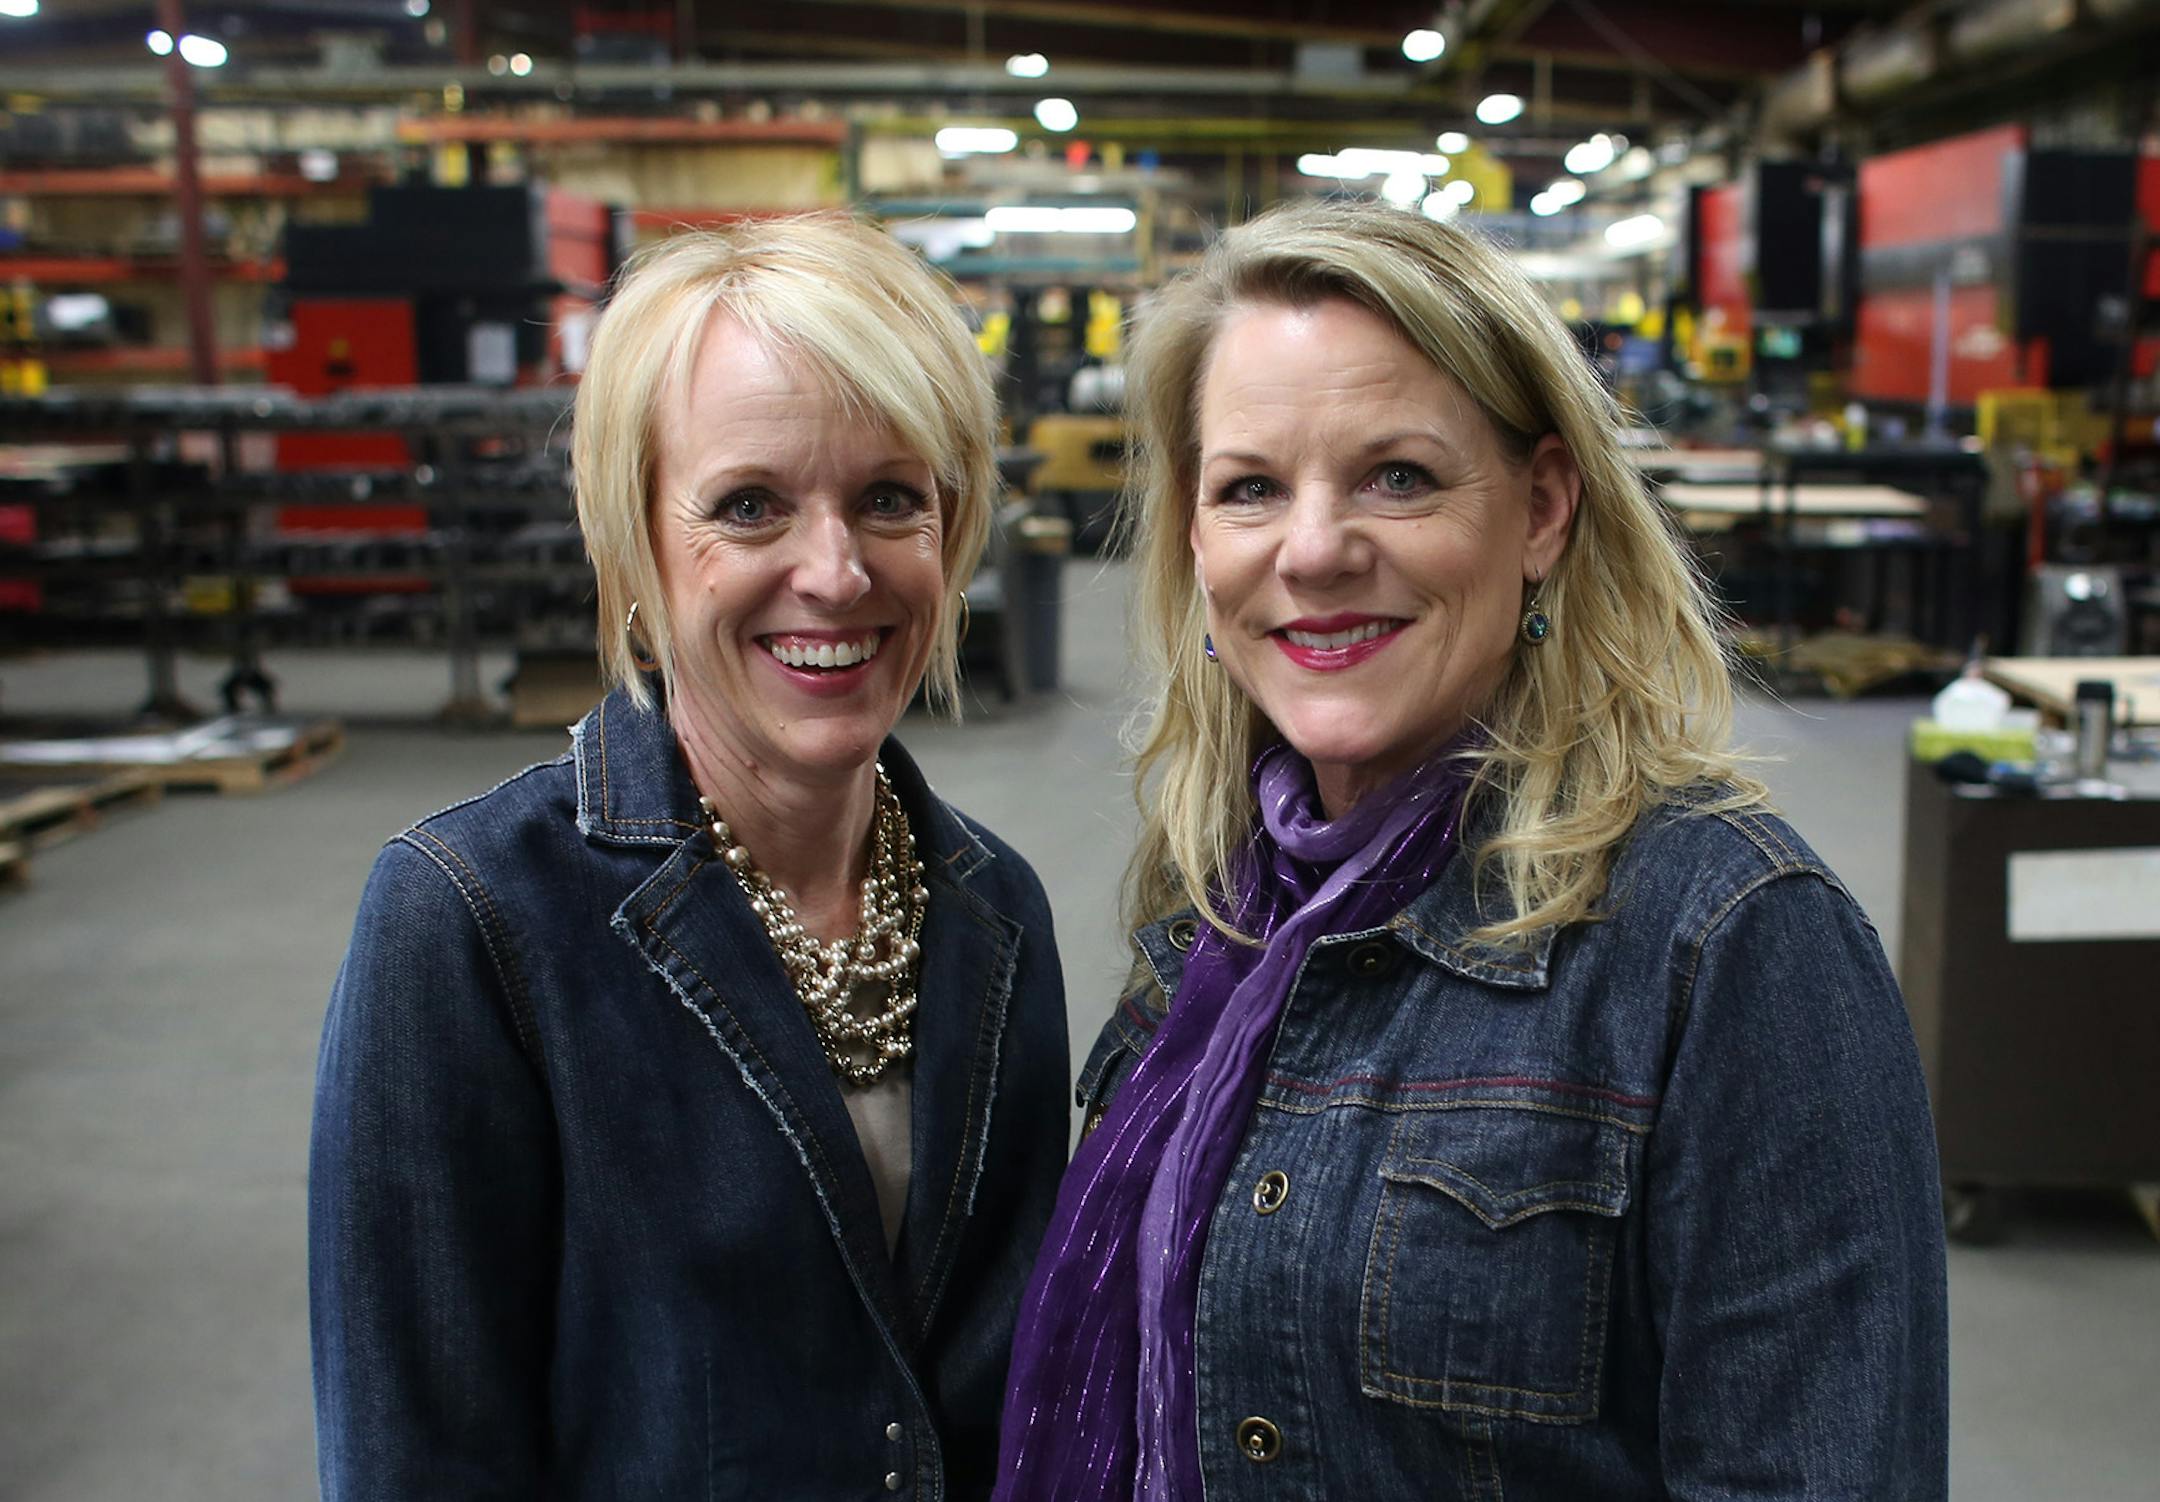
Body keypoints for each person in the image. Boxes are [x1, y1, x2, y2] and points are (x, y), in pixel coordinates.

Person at [994, 199, 1947, 1500]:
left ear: (1542, 507)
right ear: (1198, 542)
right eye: (1252, 487)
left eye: (1400, 475)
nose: (1316, 549)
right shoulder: (1225, 914)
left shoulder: (1726, 939)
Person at [310, 216, 1071, 1500]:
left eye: (890, 497)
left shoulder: (990, 906)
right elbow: (416, 1451)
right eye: (749, 505)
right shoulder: (475, 920)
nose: (833, 572)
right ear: (639, 545)